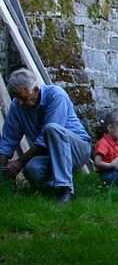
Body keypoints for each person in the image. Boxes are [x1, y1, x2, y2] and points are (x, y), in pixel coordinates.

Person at [0, 68, 92, 204]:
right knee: (32, 169)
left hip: (77, 150)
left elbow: (45, 138)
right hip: (50, 153)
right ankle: (54, 186)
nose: (20, 102)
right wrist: (2, 169)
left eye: (24, 98)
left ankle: (66, 190)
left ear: (36, 90)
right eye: (17, 98)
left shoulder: (56, 95)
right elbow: (8, 139)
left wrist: (19, 162)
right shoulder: (17, 106)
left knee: (51, 128)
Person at [93, 110, 118, 186]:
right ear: (110, 127)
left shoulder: (117, 143)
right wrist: (110, 165)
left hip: (117, 171)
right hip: (107, 174)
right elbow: (97, 162)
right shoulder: (103, 143)